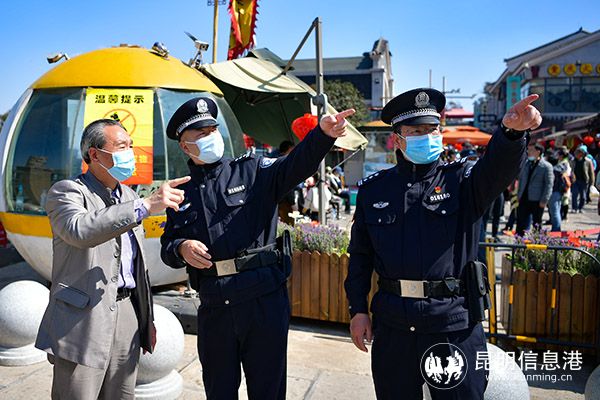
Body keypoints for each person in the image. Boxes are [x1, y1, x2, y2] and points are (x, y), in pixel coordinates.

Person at [344, 88, 541, 399]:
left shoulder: (463, 181)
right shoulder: (375, 190)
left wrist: (511, 134)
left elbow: (497, 169)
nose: (427, 136)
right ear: (398, 139)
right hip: (394, 325)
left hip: (451, 324)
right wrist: (357, 310)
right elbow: (360, 256)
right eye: (416, 131)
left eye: (432, 129)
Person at [159, 97, 354, 400]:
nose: (211, 137)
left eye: (213, 129)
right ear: (185, 146)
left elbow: (295, 166)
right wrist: (181, 247)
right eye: (201, 133)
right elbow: (167, 246)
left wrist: (322, 135)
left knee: (268, 390)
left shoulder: (251, 170)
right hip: (215, 306)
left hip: (262, 300)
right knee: (219, 390)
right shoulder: (180, 193)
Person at [35, 119, 190, 400]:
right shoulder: (68, 191)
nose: (130, 153)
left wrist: (146, 319)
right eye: (121, 147)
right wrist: (145, 205)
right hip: (82, 317)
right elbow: (79, 230)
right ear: (94, 154)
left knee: (121, 393)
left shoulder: (129, 195)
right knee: (78, 393)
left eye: (130, 146)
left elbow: (136, 266)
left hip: (128, 311)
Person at [515, 143, 553, 236]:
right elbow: (521, 180)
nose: (528, 152)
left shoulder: (546, 166)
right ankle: (519, 241)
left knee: (537, 223)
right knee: (520, 222)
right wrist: (518, 195)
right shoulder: (526, 164)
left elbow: (549, 185)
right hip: (524, 197)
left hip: (537, 199)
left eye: (531, 150)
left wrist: (544, 200)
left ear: (538, 152)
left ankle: (537, 241)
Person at [547, 149, 571, 232]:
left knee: (554, 211)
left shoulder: (553, 170)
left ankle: (556, 229)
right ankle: (557, 227)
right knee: (557, 210)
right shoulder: (560, 168)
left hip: (554, 191)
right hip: (560, 192)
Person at [571, 146, 594, 213]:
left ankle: (581, 208)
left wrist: (592, 182)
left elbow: (591, 172)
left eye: (578, 153)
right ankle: (574, 208)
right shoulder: (573, 161)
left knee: (583, 196)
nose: (576, 154)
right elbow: (571, 170)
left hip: (584, 180)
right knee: (574, 194)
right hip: (575, 180)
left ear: (582, 154)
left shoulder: (588, 161)